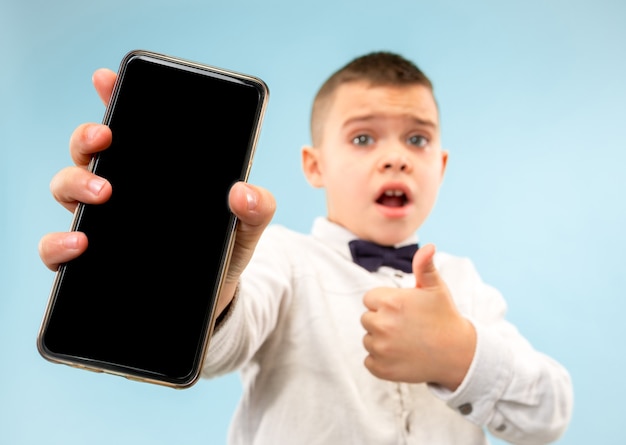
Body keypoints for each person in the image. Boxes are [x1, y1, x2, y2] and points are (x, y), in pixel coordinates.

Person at [38, 51, 573, 444]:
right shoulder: (282, 259)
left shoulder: (465, 286)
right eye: (363, 138)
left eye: (418, 139)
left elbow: (548, 417)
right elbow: (221, 349)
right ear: (313, 165)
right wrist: (211, 289)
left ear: (442, 165)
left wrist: (462, 356)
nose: (396, 158)